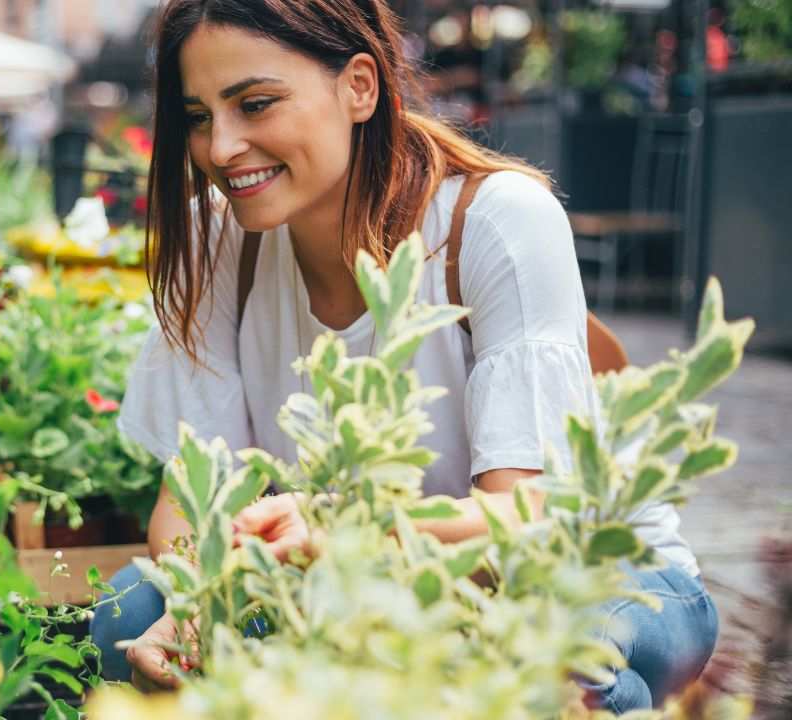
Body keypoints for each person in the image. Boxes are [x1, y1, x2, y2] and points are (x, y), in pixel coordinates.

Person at [88, 0, 718, 712]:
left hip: (590, 578)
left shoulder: (497, 219)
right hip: (357, 588)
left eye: (255, 103)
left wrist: (344, 532)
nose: (222, 147)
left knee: (559, 658)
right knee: (131, 612)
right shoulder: (219, 240)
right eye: (198, 116)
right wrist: (204, 602)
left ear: (359, 85)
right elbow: (184, 512)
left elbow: (526, 523)